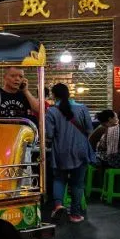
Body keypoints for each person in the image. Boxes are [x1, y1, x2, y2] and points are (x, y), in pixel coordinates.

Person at [45, 83, 93, 223]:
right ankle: (75, 214)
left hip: (61, 151)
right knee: (77, 184)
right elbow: (90, 130)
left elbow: (49, 134)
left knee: (59, 179)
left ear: (54, 95)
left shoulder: (52, 111)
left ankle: (58, 205)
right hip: (81, 150)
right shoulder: (82, 108)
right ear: (69, 93)